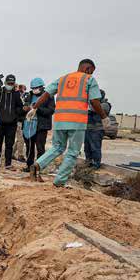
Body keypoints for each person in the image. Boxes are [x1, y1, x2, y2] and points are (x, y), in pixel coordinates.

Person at [30, 59, 107, 187]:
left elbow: (46, 94)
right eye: (91, 72)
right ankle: (59, 182)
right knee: (72, 152)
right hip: (77, 121)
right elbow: (94, 101)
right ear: (88, 69)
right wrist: (104, 117)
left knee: (57, 147)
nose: (91, 74)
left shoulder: (63, 79)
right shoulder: (89, 79)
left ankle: (38, 165)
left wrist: (34, 108)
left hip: (60, 120)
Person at [0, 74, 26, 169]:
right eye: (8, 83)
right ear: (5, 82)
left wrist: (21, 111)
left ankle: (8, 164)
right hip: (0, 123)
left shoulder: (16, 94)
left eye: (12, 83)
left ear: (14, 83)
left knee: (9, 145)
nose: (10, 85)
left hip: (12, 124)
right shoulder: (0, 92)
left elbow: (19, 107)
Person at [24, 77, 55, 168]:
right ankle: (29, 166)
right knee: (29, 147)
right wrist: (25, 108)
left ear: (42, 87)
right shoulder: (29, 95)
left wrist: (37, 108)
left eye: (36, 88)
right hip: (29, 125)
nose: (34, 90)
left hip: (41, 126)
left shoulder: (49, 96)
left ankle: (39, 167)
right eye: (33, 88)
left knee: (40, 147)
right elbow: (25, 106)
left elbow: (50, 111)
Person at [83, 88, 111, 168]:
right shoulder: (91, 104)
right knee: (87, 148)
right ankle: (88, 162)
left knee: (95, 148)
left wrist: (89, 104)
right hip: (88, 129)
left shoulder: (105, 105)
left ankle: (96, 164)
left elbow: (95, 109)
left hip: (97, 130)